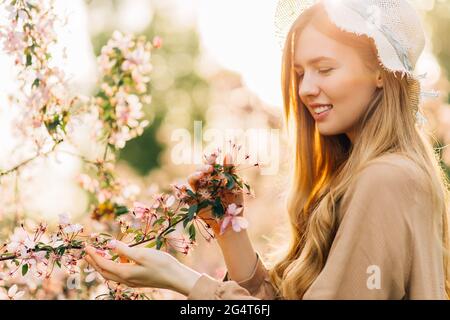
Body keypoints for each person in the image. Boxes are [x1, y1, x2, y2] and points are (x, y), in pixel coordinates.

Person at [85, 0, 450, 299]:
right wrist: (229, 229)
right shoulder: (373, 175)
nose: (305, 89)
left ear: (382, 73)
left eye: (324, 68)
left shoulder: (385, 179)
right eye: (299, 73)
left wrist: (181, 279)